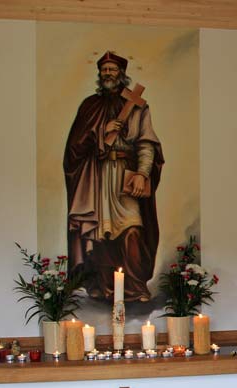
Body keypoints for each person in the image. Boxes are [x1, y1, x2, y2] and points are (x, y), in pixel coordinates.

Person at [64, 51, 164, 303]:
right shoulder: (90, 106)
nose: (108, 73)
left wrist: (142, 174)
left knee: (132, 230)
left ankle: (135, 286)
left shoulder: (138, 105)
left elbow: (146, 143)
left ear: (122, 73)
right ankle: (104, 286)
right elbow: (74, 147)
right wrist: (101, 131)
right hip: (97, 177)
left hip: (125, 175)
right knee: (101, 233)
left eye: (112, 69)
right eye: (104, 69)